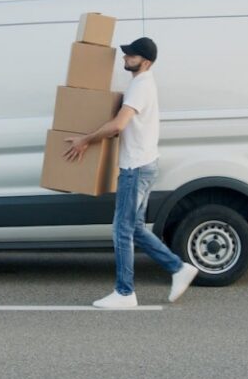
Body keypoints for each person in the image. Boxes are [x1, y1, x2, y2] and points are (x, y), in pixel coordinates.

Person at [63, 37, 198, 308]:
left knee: (121, 229)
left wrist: (85, 140)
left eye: (131, 55)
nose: (125, 58)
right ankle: (178, 267)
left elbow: (118, 126)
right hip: (145, 163)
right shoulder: (142, 84)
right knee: (134, 227)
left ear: (145, 62)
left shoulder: (141, 85)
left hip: (135, 168)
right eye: (126, 54)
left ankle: (125, 293)